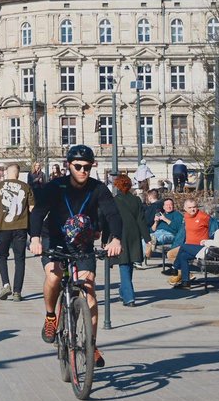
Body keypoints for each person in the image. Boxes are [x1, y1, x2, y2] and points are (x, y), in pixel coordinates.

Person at [29, 145, 122, 369]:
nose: (83, 171)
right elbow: (39, 212)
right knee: (53, 276)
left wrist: (116, 239)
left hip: (82, 242)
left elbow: (113, 214)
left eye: (87, 167)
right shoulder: (55, 187)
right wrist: (34, 239)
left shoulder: (98, 188)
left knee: (89, 288)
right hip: (53, 238)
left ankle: (91, 343)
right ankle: (51, 316)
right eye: (78, 166)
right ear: (68, 165)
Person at [0, 163, 34, 302]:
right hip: (21, 228)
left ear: (7, 173)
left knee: (2, 256)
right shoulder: (26, 187)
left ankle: (6, 284)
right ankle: (17, 292)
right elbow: (32, 208)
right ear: (18, 174)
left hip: (3, 228)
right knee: (20, 260)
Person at [107, 175, 151, 306]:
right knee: (129, 263)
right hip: (134, 234)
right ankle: (123, 291)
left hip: (120, 234)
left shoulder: (114, 200)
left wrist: (106, 238)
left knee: (124, 265)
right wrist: (147, 238)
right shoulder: (136, 200)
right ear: (130, 185)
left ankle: (129, 297)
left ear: (117, 186)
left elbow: (110, 219)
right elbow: (141, 220)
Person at [167, 199, 212, 288]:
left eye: (194, 207)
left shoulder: (204, 217)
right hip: (188, 246)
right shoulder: (186, 216)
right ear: (185, 209)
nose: (192, 209)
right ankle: (186, 281)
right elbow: (181, 232)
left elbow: (215, 229)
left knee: (182, 248)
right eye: (190, 208)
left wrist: (210, 242)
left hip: (200, 248)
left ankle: (175, 269)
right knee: (173, 254)